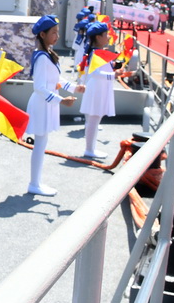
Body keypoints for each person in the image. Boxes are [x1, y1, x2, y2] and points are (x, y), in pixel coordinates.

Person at [24, 15, 84, 196]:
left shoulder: (47, 54)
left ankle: (36, 182)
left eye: (57, 32)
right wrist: (61, 100)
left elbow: (57, 80)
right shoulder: (42, 57)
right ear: (42, 34)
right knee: (40, 144)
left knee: (42, 143)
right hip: (42, 105)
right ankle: (34, 183)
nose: (57, 36)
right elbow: (40, 88)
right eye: (53, 32)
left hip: (46, 104)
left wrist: (74, 88)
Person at [80, 22, 117, 161]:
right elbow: (95, 73)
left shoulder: (97, 52)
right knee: (93, 119)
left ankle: (91, 148)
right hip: (97, 89)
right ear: (98, 37)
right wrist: (114, 75)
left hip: (100, 88)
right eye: (105, 35)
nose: (108, 37)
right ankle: (89, 149)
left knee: (94, 120)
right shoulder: (96, 53)